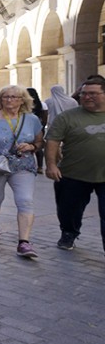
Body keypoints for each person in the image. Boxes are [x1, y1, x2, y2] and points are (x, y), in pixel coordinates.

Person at [0, 85, 45, 259]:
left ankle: (24, 242)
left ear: (22, 100)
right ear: (0, 100)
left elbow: (40, 141)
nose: (9, 100)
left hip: (23, 166)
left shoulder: (32, 119)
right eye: (5, 97)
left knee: (25, 200)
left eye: (14, 97)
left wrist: (32, 146)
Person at [44, 78, 105, 252]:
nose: (87, 97)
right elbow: (53, 141)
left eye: (93, 93)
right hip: (73, 174)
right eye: (84, 93)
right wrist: (51, 165)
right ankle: (69, 232)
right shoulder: (68, 116)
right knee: (68, 209)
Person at [26, 87, 47, 170]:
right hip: (39, 127)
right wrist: (41, 127)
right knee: (38, 146)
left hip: (27, 127)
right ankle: (40, 166)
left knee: (27, 145)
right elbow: (45, 117)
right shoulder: (42, 104)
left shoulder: (25, 106)